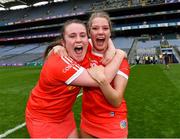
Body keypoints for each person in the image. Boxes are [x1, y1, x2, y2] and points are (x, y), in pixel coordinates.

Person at [25, 19, 125, 138]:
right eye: (72, 36)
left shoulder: (84, 46)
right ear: (63, 42)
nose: (78, 39)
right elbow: (104, 79)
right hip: (42, 118)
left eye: (82, 35)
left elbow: (101, 38)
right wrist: (120, 54)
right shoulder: (59, 62)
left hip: (64, 115)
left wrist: (112, 48)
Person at [80, 11, 130, 138]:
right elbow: (69, 41)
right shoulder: (83, 53)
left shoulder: (120, 60)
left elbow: (116, 100)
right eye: (95, 28)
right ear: (89, 32)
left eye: (105, 28)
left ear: (110, 33)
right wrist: (59, 48)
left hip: (112, 122)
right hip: (88, 119)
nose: (101, 32)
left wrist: (102, 80)